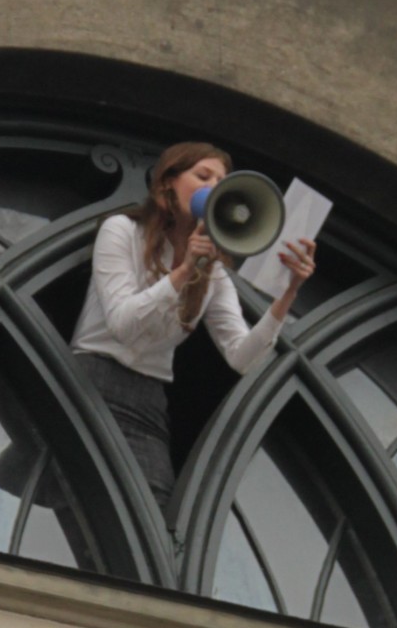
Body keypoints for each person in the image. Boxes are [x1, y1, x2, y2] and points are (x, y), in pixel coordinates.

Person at [71, 141, 316, 505]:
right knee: (68, 485)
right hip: (91, 378)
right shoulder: (122, 231)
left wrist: (288, 295)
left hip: (147, 399)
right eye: (203, 176)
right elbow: (122, 324)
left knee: (151, 505)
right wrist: (184, 271)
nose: (213, 186)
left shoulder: (213, 275)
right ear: (167, 182)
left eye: (221, 182)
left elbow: (241, 357)